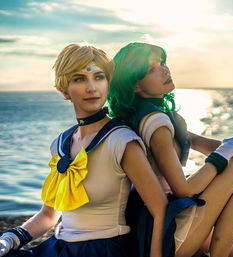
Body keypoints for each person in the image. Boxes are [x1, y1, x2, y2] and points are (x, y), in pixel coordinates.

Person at [108, 42, 233, 257]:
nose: (164, 69)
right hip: (163, 232)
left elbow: (209, 145)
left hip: (174, 217)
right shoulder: (156, 123)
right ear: (135, 86)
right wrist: (225, 154)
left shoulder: (159, 115)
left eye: (161, 63)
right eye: (151, 69)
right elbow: (184, 190)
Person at [0, 43, 168, 257]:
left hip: (104, 249)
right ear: (64, 88)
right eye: (79, 79)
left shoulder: (122, 140)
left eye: (99, 77)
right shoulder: (60, 144)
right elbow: (49, 215)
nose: (92, 88)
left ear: (108, 84)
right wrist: (9, 238)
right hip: (60, 247)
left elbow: (159, 208)